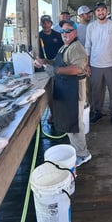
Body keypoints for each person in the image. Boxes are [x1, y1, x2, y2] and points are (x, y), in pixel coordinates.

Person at [35, 20, 92, 166]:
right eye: (62, 31)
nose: (64, 34)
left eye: (68, 31)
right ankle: (77, 148)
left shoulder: (77, 48)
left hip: (75, 88)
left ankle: (83, 154)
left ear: (75, 32)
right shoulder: (64, 47)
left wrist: (56, 71)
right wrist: (44, 62)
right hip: (66, 87)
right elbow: (56, 62)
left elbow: (78, 69)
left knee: (75, 121)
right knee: (69, 120)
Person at [85, 2, 112, 129]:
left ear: (107, 11)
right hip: (95, 64)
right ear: (95, 13)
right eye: (98, 11)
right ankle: (97, 112)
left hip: (111, 64)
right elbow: (88, 46)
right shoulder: (91, 27)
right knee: (96, 91)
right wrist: (87, 64)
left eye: (103, 10)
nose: (100, 12)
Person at [38, 15, 64, 123]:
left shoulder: (58, 35)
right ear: (41, 24)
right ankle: (53, 115)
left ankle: (62, 113)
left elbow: (64, 49)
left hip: (59, 66)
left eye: (47, 22)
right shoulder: (38, 36)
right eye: (43, 22)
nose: (45, 24)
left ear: (51, 23)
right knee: (49, 92)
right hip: (45, 68)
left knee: (60, 91)